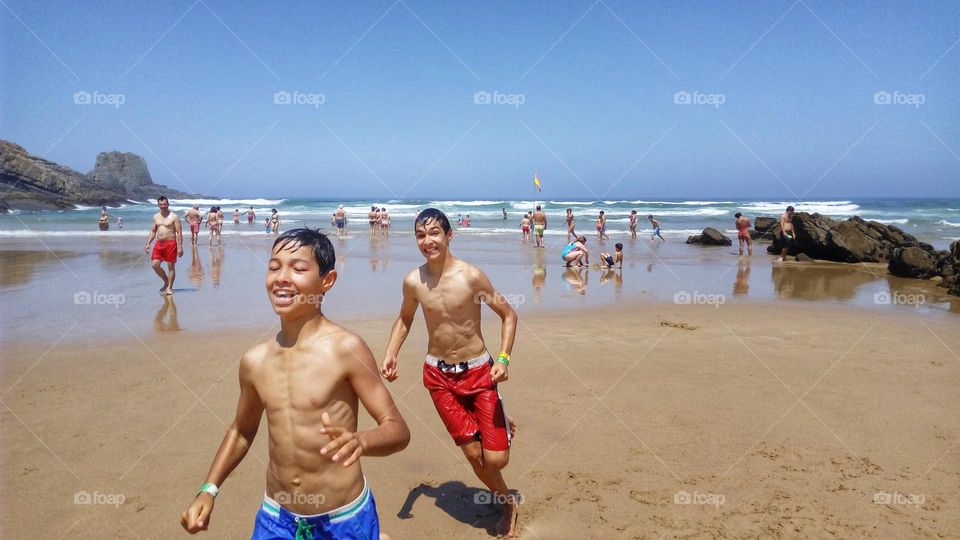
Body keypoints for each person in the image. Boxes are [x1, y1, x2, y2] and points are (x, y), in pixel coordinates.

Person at [181, 228, 411, 539]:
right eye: (274, 267)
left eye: (299, 268)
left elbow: (397, 429)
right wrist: (209, 489)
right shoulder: (255, 361)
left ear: (326, 281)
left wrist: (362, 441)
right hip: (277, 517)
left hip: (343, 518)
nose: (282, 277)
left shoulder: (346, 349)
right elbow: (241, 430)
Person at [379, 209, 519, 537]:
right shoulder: (413, 281)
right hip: (438, 376)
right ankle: (508, 502)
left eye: (434, 234)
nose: (427, 241)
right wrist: (390, 353)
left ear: (449, 235)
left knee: (495, 459)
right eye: (420, 235)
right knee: (473, 455)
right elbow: (404, 319)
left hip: (480, 373)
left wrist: (503, 359)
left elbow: (509, 314)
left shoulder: (472, 277)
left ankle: (501, 418)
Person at [145, 196, 183, 295]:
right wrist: (148, 243)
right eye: (161, 204)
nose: (163, 206)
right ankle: (166, 281)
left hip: (171, 243)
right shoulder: (156, 216)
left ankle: (169, 287)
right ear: (158, 205)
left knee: (171, 267)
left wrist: (180, 247)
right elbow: (153, 231)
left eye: (165, 204)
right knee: (155, 265)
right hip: (159, 244)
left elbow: (179, 232)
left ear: (168, 204)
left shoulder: (174, 217)